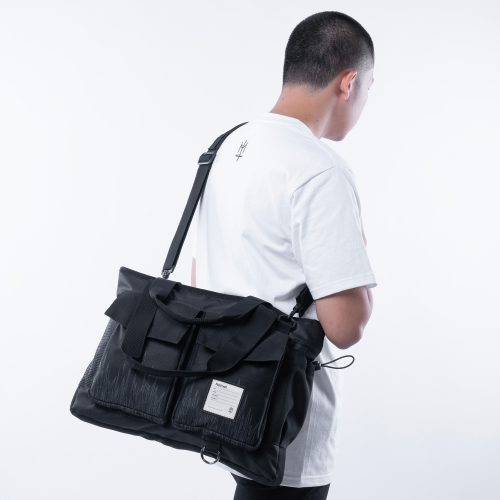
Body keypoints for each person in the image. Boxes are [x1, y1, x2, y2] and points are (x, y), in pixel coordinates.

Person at [191, 10, 377, 500]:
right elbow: (346, 326)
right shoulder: (320, 170)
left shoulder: (226, 146)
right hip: (286, 422)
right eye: (369, 88)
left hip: (222, 392)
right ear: (348, 82)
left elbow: (197, 272)